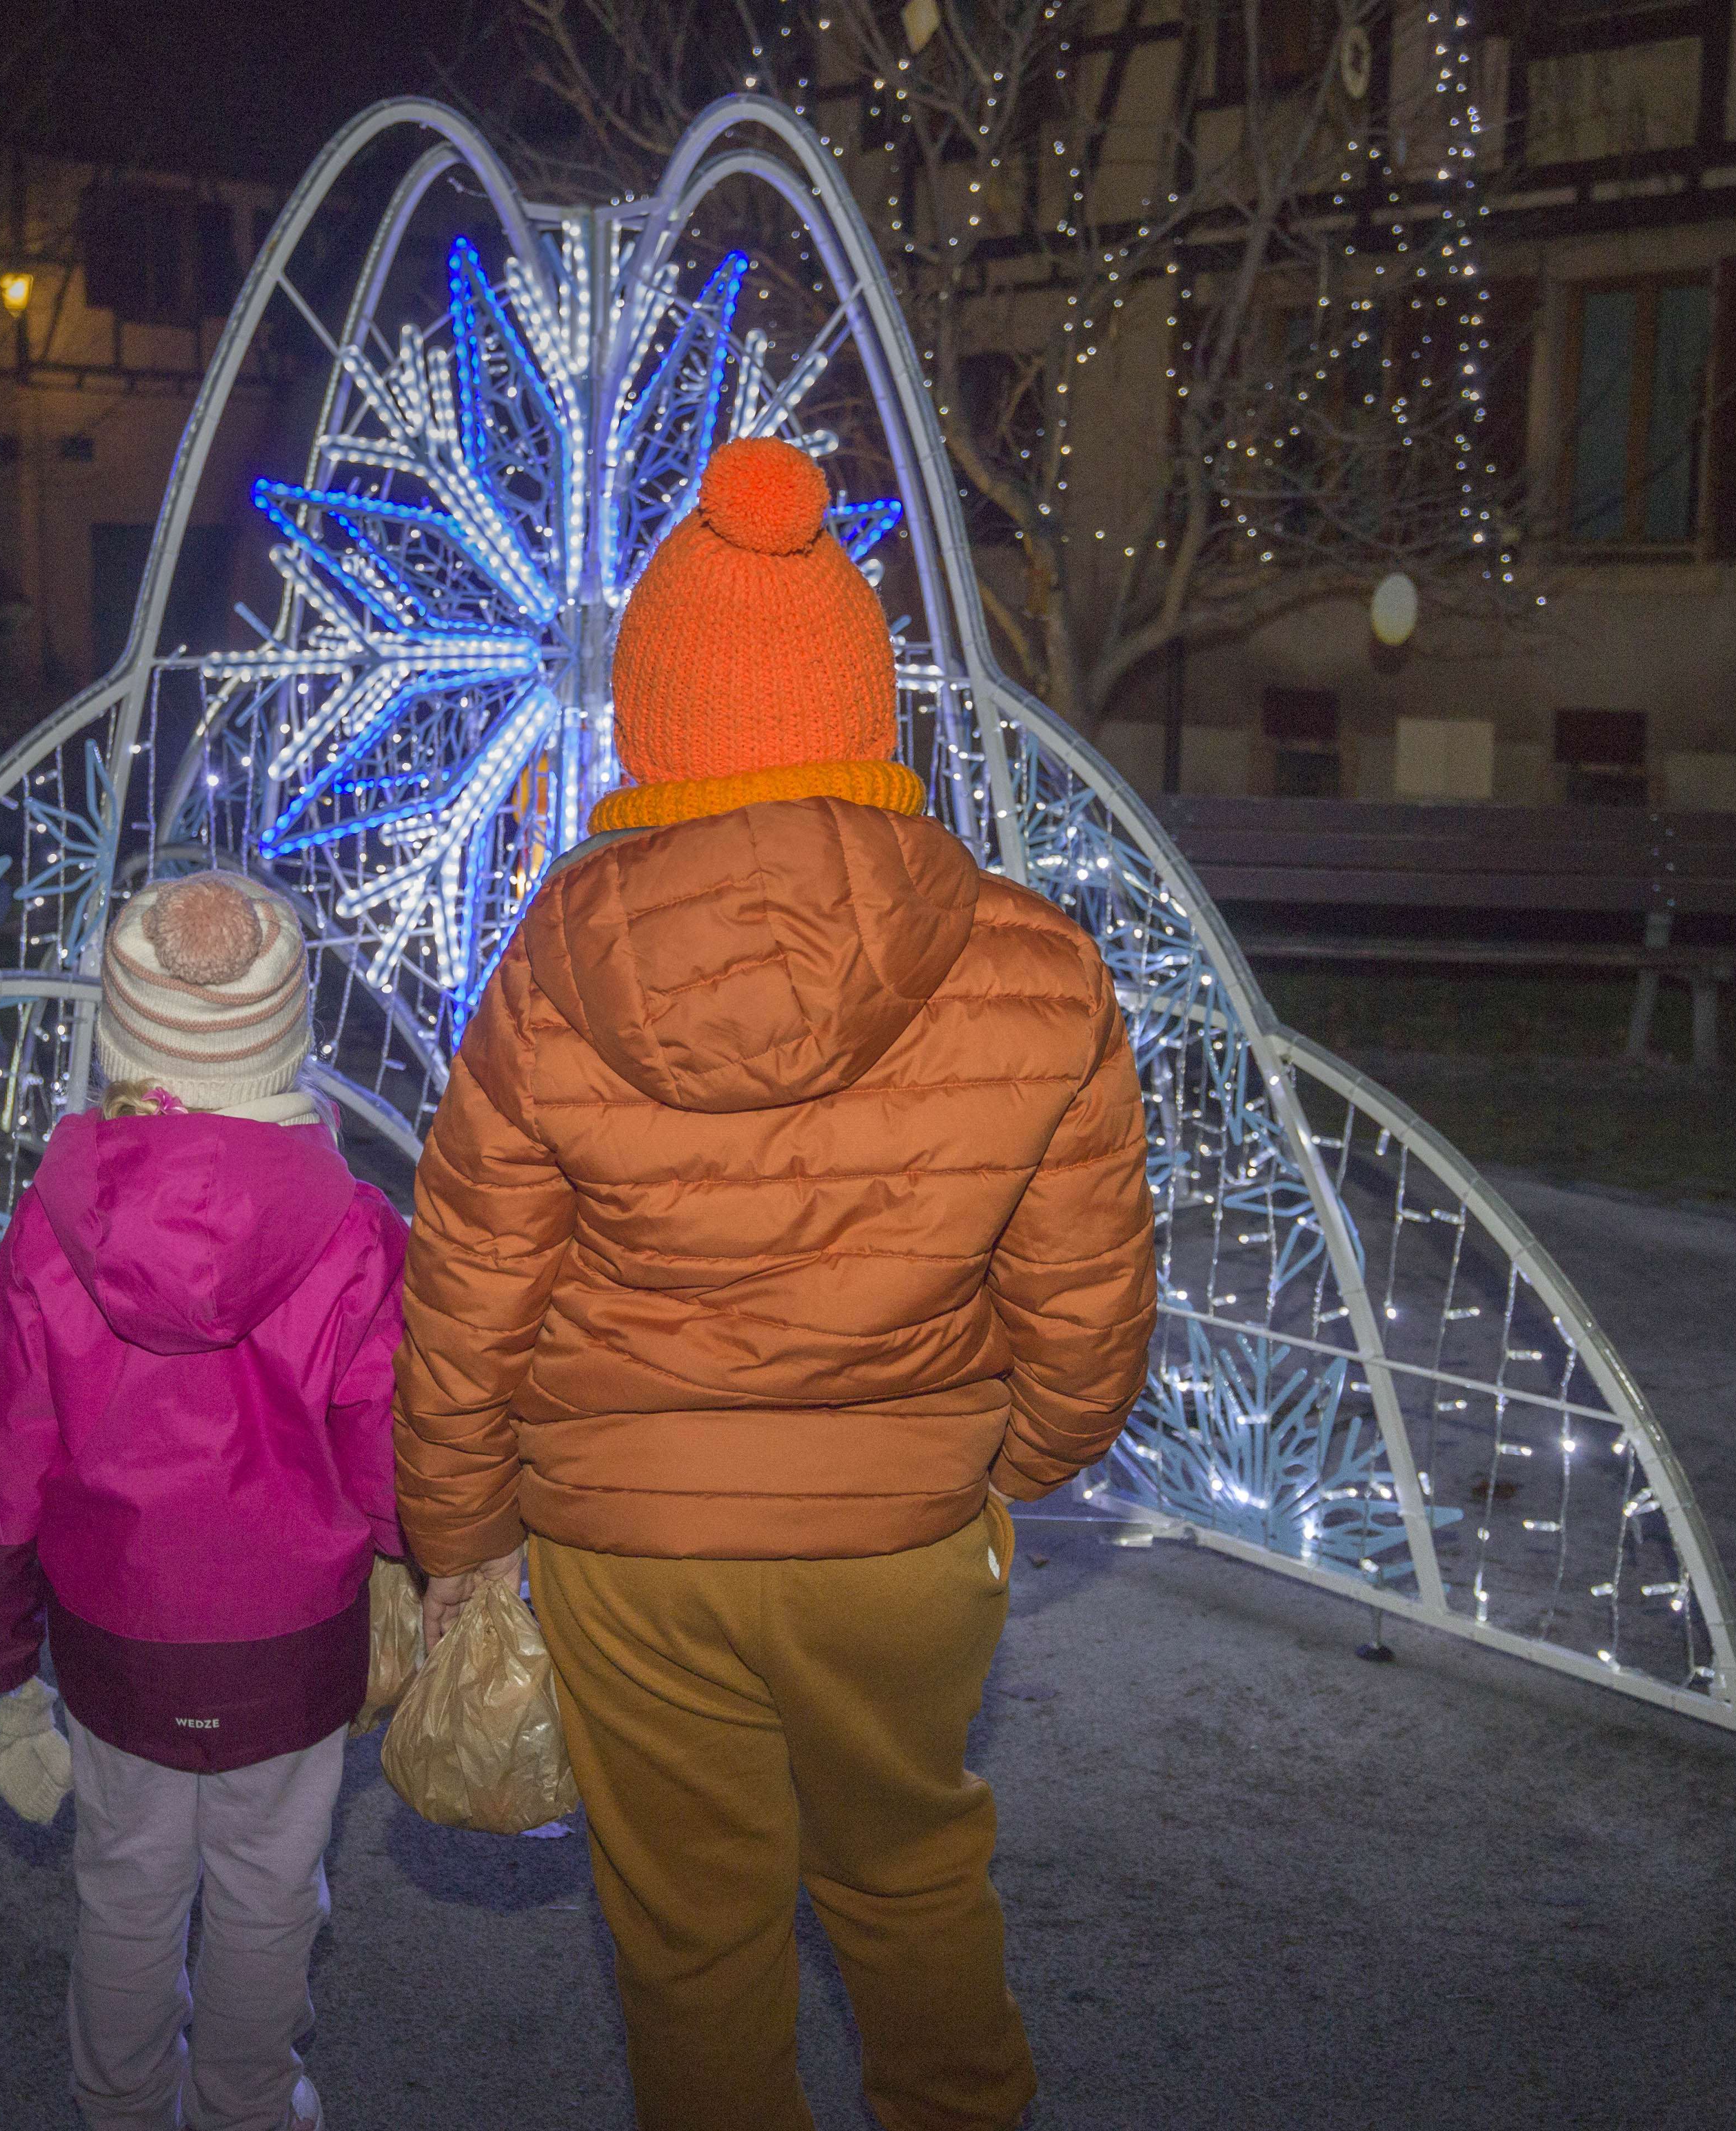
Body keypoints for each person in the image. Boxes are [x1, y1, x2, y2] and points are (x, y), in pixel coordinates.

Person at [393, 435, 1159, 2131]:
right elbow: (1088, 1302)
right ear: (863, 704)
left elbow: (470, 1289)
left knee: (691, 1938)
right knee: (913, 1878)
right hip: (901, 1536)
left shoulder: (550, 960)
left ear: (650, 719)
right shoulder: (1034, 962)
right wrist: (995, 1465)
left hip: (629, 1542)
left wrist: (458, 1533)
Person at [0, 870, 406, 2131]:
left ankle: (120, 2102)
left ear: (122, 1033)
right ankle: (248, 2103)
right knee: (269, 1891)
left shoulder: (51, 1226)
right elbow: (388, 1448)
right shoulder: (355, 1231)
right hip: (293, 1642)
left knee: (125, 1885)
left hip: (115, 1640)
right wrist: (431, 1564)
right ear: (285, 1034)